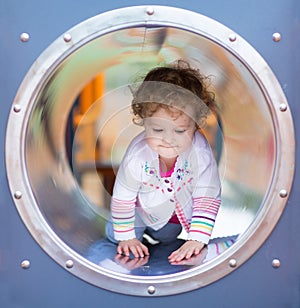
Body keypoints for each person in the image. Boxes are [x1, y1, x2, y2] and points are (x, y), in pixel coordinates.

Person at [106, 60, 221, 264]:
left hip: (172, 219)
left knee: (168, 238)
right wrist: (127, 237)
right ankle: (132, 238)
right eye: (157, 130)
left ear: (196, 124)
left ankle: (163, 246)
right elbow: (123, 196)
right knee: (115, 235)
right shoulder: (138, 154)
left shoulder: (200, 153)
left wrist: (197, 238)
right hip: (138, 211)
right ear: (143, 120)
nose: (168, 139)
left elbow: (207, 194)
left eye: (179, 131)